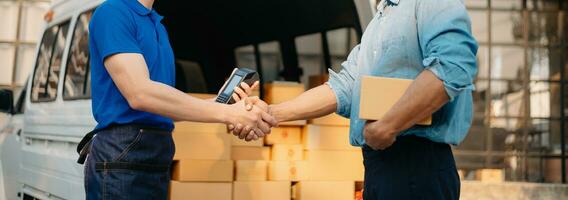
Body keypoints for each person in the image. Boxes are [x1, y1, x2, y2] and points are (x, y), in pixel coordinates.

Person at [236, 0, 478, 199]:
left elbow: (453, 66)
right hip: (382, 166)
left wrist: (388, 126)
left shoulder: (429, 3)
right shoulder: (382, 19)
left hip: (416, 166)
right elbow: (345, 86)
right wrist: (272, 113)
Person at [84, 0, 276, 199]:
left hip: (158, 150)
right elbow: (140, 94)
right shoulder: (113, 12)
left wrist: (222, 103)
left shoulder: (157, 25)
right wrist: (227, 113)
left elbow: (164, 104)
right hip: (124, 152)